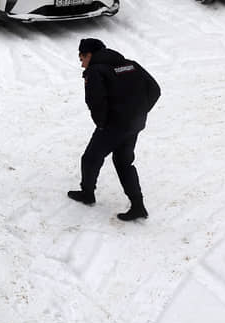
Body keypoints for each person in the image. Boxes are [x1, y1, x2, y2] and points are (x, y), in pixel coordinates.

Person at [68, 38, 160, 221]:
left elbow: (96, 101)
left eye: (81, 58)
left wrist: (102, 123)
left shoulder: (95, 71)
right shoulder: (130, 65)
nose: (81, 63)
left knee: (90, 158)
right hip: (134, 124)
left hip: (113, 125)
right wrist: (140, 112)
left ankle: (87, 194)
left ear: (90, 54)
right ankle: (138, 206)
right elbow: (155, 90)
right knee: (123, 162)